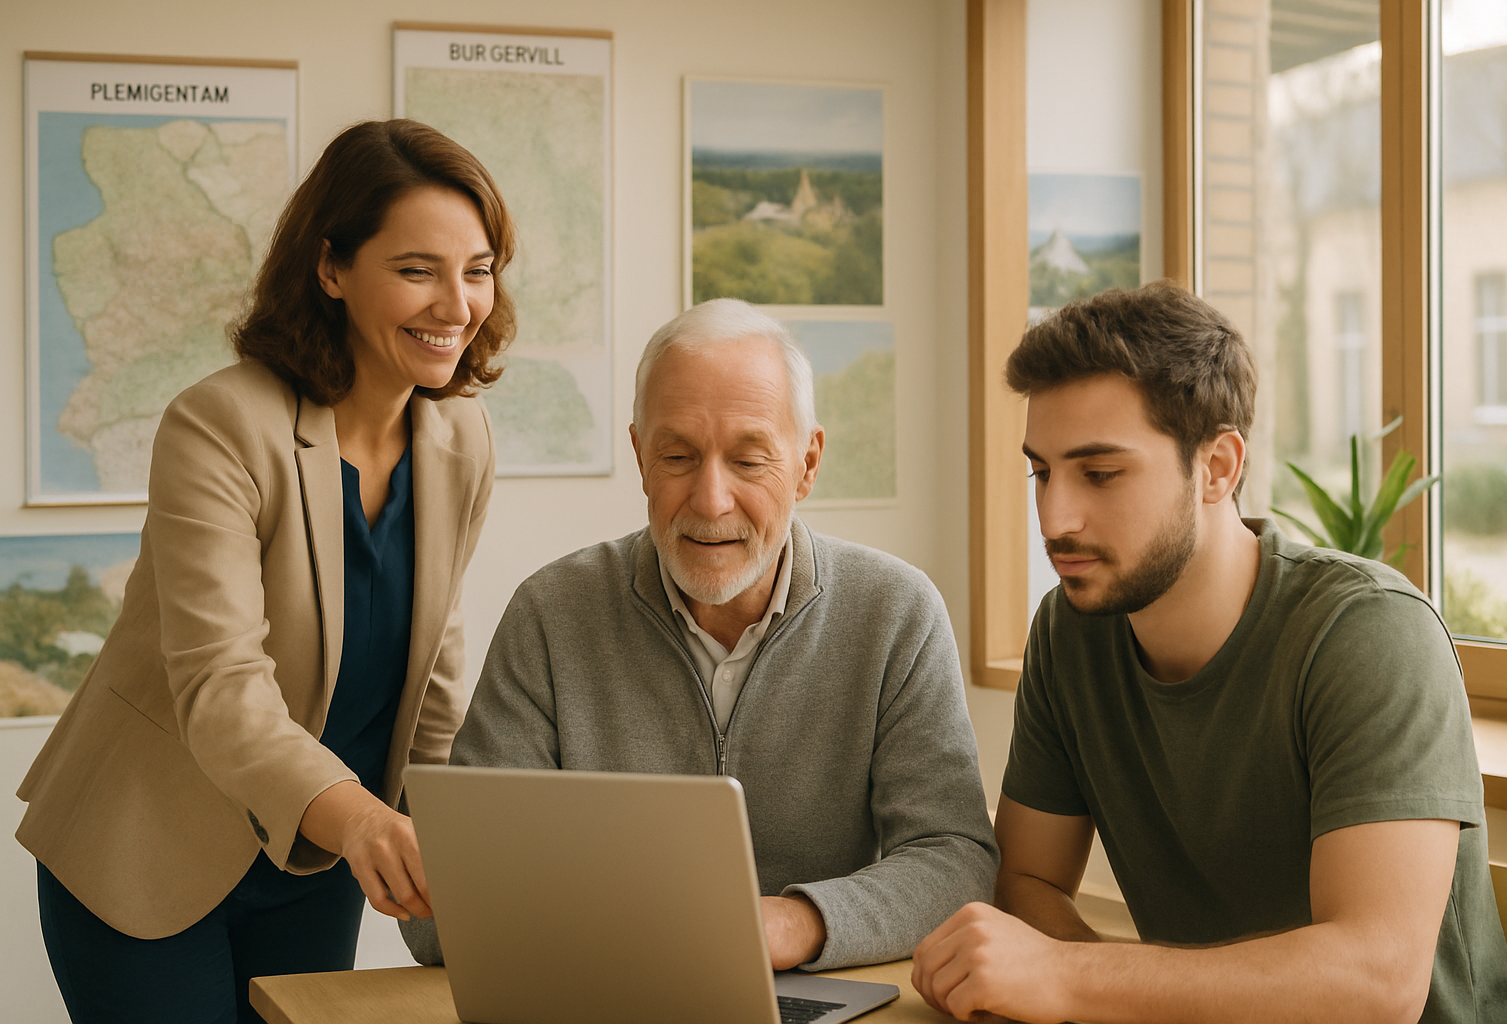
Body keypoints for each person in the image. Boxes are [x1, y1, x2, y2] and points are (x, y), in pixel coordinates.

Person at [910, 282, 1507, 1023]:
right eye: (1042, 471)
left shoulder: (1369, 632)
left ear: (1219, 468)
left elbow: (1377, 983)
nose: (1055, 517)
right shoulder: (1070, 632)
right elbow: (1025, 879)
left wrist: (1071, 976)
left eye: (1100, 474)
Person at [16, 119, 513, 1024]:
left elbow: (433, 667)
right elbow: (220, 685)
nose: (456, 304)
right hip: (145, 848)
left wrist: (455, 839)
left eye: (476, 269)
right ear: (331, 268)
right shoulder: (219, 426)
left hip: (309, 858)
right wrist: (363, 818)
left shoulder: (461, 438)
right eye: (416, 270)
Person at [401, 298, 998, 971]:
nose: (711, 500)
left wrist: (794, 925)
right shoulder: (550, 614)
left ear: (807, 463)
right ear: (639, 456)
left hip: (820, 997)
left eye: (749, 461)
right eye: (678, 456)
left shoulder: (897, 614)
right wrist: (645, 934)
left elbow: (955, 863)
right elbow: (440, 911)